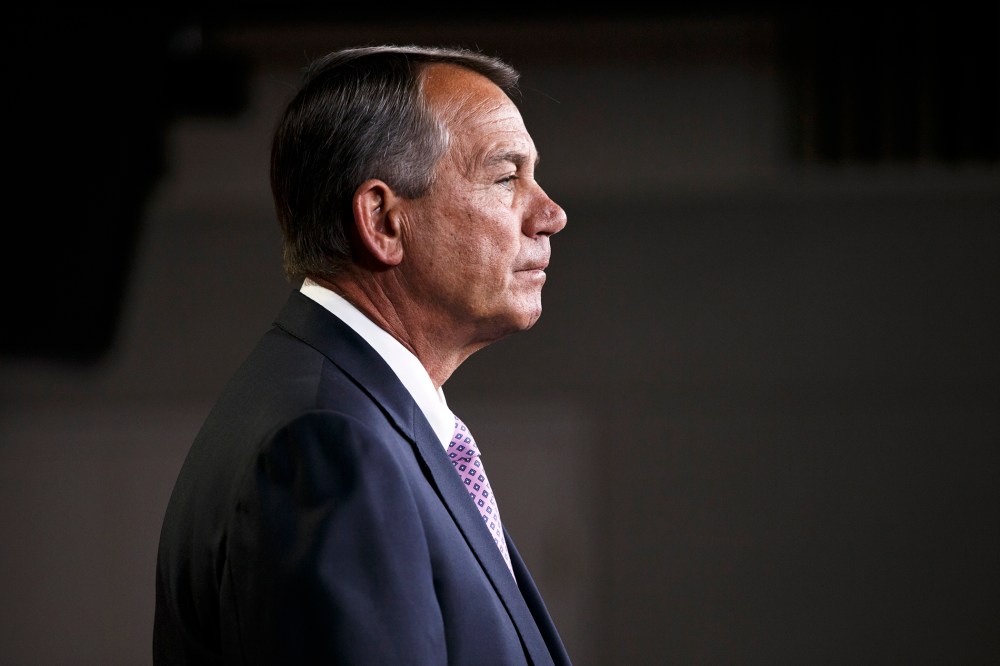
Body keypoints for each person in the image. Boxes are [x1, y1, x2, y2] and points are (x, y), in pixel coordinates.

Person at [153, 44, 570, 664]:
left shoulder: (341, 417)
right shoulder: (329, 445)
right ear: (382, 220)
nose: (551, 215)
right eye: (506, 177)